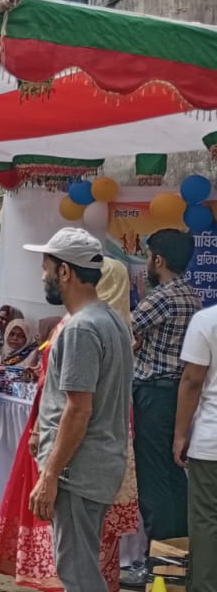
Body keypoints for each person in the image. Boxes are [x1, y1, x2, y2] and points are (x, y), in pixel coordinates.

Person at [19, 228, 134, 592]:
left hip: (79, 468)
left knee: (78, 569)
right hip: (91, 463)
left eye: (47, 266)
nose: (43, 274)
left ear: (65, 271)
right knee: (80, 565)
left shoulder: (85, 328)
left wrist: (50, 473)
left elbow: (78, 410)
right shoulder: (106, 322)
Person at [129, 228, 200, 556]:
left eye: (148, 257)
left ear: (158, 259)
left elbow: (124, 332)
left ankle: (157, 562)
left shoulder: (161, 297)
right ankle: (178, 561)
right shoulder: (192, 295)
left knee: (154, 480)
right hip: (178, 396)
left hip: (153, 395)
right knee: (173, 479)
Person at [173, 300, 217, 592]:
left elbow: (191, 380)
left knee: (206, 523)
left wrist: (180, 434)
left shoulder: (207, 321)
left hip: (212, 441)